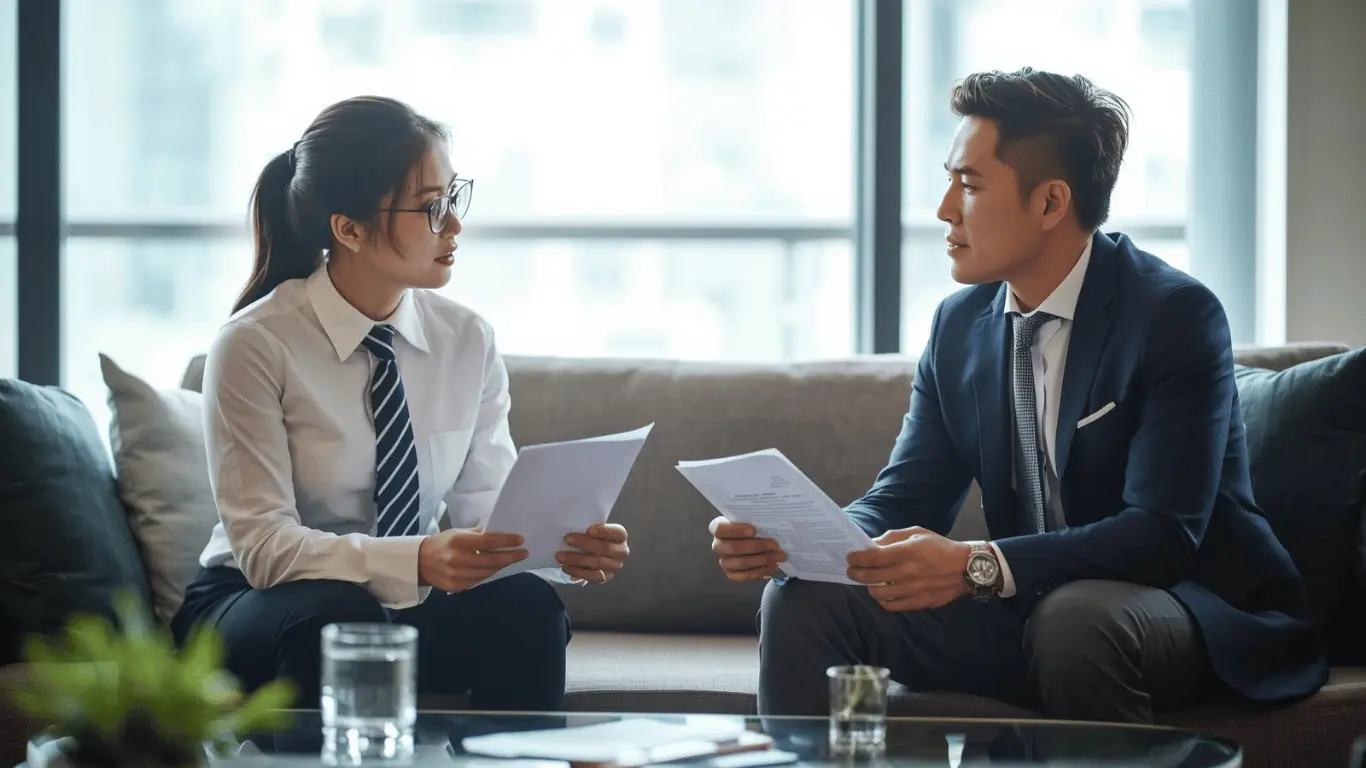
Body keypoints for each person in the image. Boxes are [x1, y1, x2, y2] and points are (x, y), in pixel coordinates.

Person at [709, 68, 1328, 723]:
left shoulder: (1173, 315)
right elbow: (908, 495)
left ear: (1051, 203)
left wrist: (979, 564)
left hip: (1187, 608)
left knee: (1075, 620)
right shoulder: (959, 325)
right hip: (1032, 609)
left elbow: (1162, 535)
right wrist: (804, 542)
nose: (945, 208)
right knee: (805, 599)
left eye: (969, 184)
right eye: (949, 179)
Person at [171, 96, 631, 712]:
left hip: (401, 600)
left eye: (453, 198)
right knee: (336, 614)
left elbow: (488, 517)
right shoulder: (256, 343)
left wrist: (565, 549)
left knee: (528, 607)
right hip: (256, 601)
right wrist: (415, 557)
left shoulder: (466, 339)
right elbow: (263, 549)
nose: (455, 226)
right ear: (349, 229)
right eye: (430, 208)